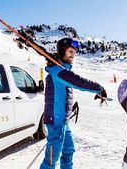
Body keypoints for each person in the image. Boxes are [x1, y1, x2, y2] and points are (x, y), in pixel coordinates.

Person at [40, 37, 107, 169]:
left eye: (74, 53)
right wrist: (99, 88)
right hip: (55, 123)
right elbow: (79, 82)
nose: (73, 55)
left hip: (63, 122)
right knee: (51, 160)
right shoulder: (58, 72)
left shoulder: (61, 70)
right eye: (70, 51)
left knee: (68, 151)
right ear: (62, 51)